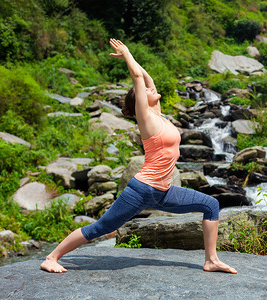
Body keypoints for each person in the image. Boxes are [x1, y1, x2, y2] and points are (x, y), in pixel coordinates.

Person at [40, 38, 237, 274]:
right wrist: (127, 54)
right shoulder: (146, 119)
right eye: (146, 91)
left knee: (211, 205)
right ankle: (51, 257)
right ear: (140, 102)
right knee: (102, 227)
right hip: (142, 189)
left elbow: (145, 78)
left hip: (164, 192)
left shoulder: (159, 116)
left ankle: (211, 260)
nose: (151, 88)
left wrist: (134, 62)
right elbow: (137, 78)